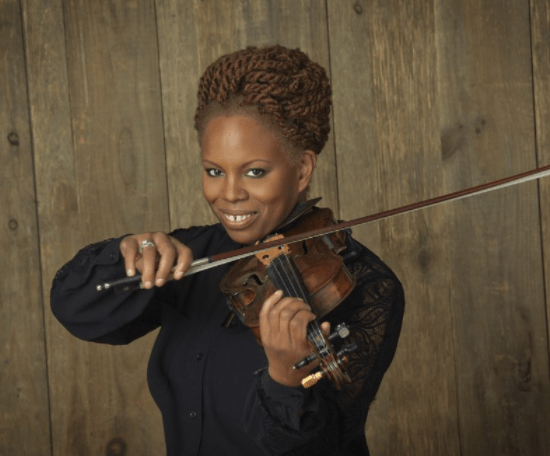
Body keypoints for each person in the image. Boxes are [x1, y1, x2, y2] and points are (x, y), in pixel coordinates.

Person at [51, 45, 404, 456]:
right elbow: (78, 312)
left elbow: (325, 443)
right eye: (214, 171)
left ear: (302, 169)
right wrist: (127, 253)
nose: (230, 194)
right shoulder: (190, 254)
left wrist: (285, 379)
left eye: (255, 171)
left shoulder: (366, 285)